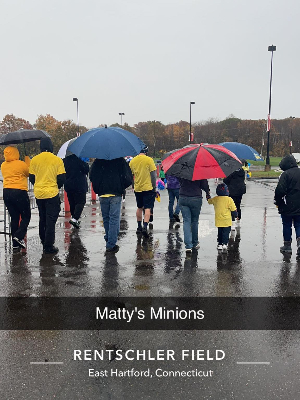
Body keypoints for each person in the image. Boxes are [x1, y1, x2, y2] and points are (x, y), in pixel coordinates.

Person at [29, 137, 66, 254]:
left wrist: (39, 185)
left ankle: (43, 240)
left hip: (39, 194)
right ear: (51, 146)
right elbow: (61, 178)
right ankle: (48, 246)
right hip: (52, 193)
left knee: (42, 218)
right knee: (51, 220)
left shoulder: (34, 160)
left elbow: (32, 178)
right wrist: (55, 186)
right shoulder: (57, 160)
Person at [90, 157, 132, 253]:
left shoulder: (98, 161)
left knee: (106, 218)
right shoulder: (120, 160)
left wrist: (98, 187)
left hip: (103, 193)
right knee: (114, 218)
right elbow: (128, 177)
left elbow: (92, 176)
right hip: (115, 193)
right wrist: (121, 186)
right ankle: (111, 244)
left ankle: (109, 237)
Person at [1, 146, 31, 250]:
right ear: (16, 153)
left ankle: (15, 244)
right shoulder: (20, 164)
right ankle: (19, 236)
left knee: (14, 217)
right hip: (19, 191)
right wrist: (27, 161)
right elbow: (28, 173)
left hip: (6, 192)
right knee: (26, 215)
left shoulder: (3, 165)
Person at [274, 154, 300, 255]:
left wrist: (278, 201)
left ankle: (287, 245)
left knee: (287, 224)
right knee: (298, 224)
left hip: (287, 205)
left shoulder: (285, 175)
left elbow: (280, 190)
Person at [129, 146, 156, 238]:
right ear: (146, 151)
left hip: (138, 187)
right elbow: (153, 175)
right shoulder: (149, 160)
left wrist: (133, 185)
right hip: (148, 187)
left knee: (139, 207)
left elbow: (131, 175)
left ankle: (139, 226)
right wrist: (154, 187)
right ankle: (145, 226)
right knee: (147, 208)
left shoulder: (132, 161)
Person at [178, 177, 210, 253]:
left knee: (186, 221)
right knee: (194, 221)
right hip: (196, 197)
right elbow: (204, 185)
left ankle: (188, 246)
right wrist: (207, 193)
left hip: (183, 197)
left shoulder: (183, 169)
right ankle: (194, 243)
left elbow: (180, 181)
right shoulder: (200, 172)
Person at [208, 183, 237, 252]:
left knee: (220, 232)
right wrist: (235, 215)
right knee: (226, 233)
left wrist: (208, 195)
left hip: (219, 220)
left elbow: (209, 201)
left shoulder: (215, 199)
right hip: (227, 220)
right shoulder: (229, 199)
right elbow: (233, 209)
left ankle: (220, 244)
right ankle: (225, 244)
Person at [63, 152, 89, 228]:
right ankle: (75, 219)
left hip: (69, 185)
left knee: (72, 203)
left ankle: (75, 219)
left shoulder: (65, 161)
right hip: (79, 185)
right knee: (81, 202)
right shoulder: (79, 160)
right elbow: (86, 169)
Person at [223, 166, 246, 230]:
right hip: (240, 191)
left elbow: (226, 181)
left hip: (232, 191)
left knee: (232, 206)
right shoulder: (242, 171)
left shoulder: (231, 172)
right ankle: (238, 220)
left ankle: (233, 221)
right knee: (238, 205)